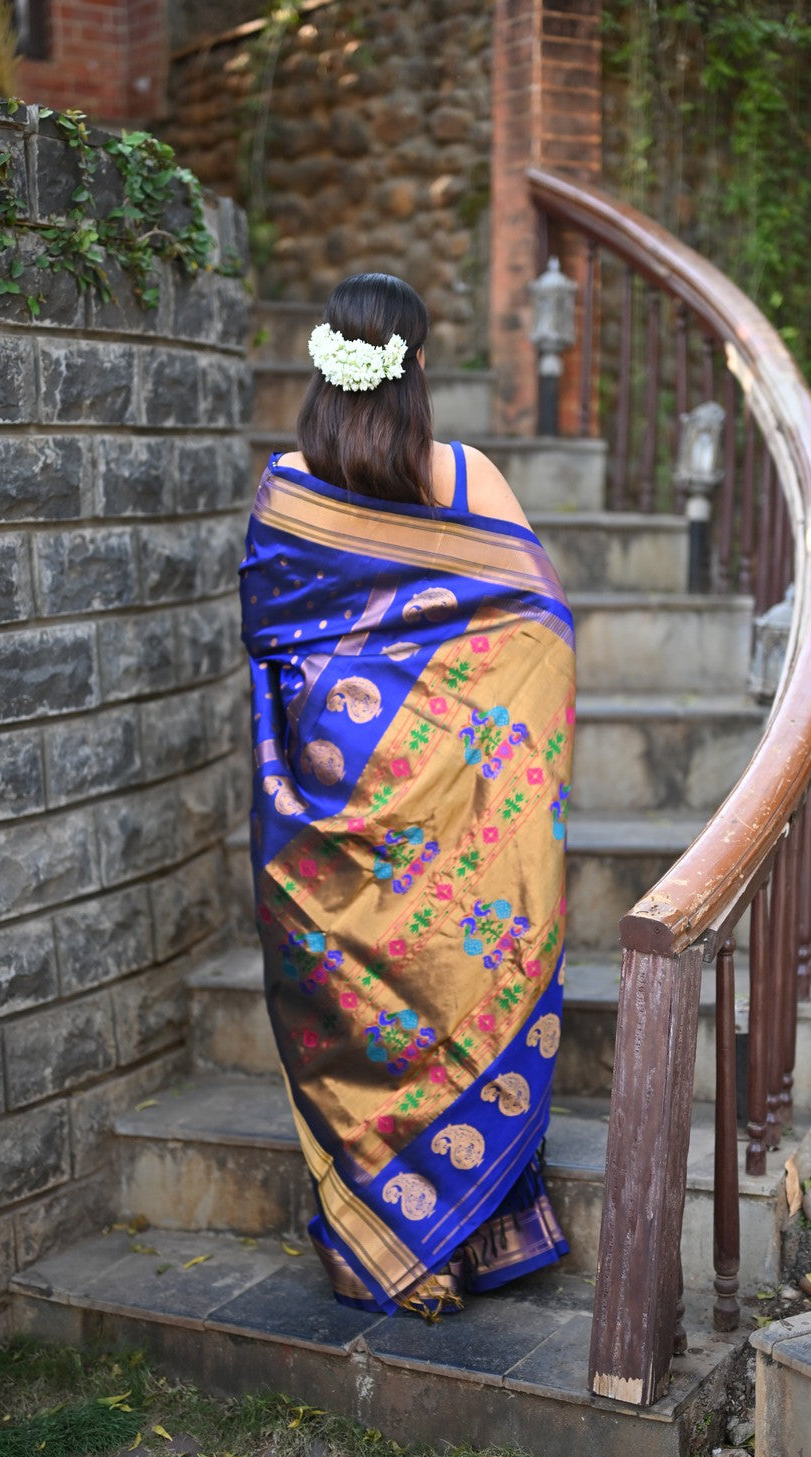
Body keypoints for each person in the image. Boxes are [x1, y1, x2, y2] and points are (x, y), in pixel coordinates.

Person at [239, 273, 576, 1318]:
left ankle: (387, 1244)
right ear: (417, 366)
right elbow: (541, 627)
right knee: (466, 988)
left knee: (357, 1010)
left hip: (327, 813)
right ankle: (470, 1231)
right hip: (453, 812)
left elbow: (273, 655)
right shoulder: (466, 476)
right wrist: (474, 742)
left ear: (324, 364)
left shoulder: (284, 490)